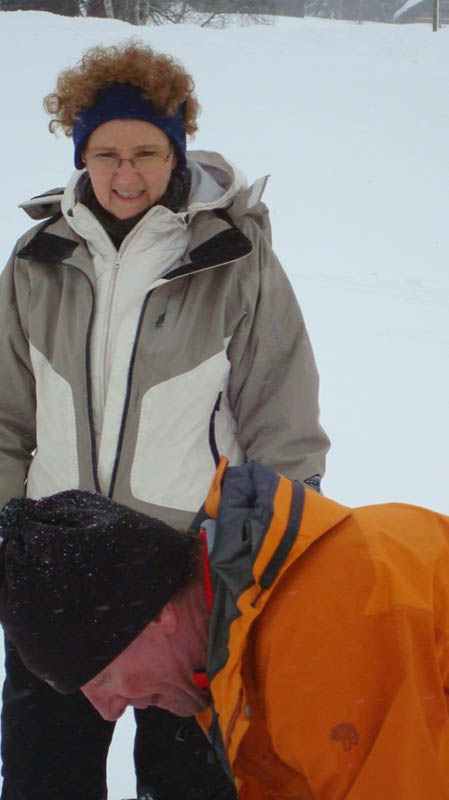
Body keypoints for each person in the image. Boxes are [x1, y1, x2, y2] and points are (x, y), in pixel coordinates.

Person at [0, 39, 329, 800]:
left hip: (187, 581)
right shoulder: (37, 260)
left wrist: (257, 568)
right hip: (54, 579)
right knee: (44, 778)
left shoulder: (232, 256)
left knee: (193, 784)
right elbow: (8, 419)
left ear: (176, 151)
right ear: (81, 155)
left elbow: (281, 420)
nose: (126, 175)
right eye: (106, 154)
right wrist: (9, 550)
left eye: (146, 153)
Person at [1, 457, 449, 800]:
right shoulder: (237, 639)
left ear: (154, 615)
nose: (107, 710)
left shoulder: (326, 624)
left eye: (100, 677)